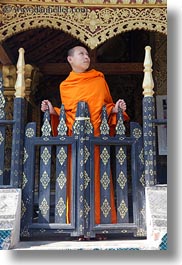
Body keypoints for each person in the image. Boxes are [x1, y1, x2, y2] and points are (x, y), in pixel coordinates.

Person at [41, 45, 129, 240]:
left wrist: (115, 109)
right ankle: (77, 227)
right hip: (75, 141)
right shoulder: (65, 86)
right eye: (81, 54)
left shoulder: (99, 79)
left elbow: (105, 106)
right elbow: (68, 113)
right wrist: (52, 111)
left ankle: (101, 226)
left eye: (87, 54)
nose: (86, 57)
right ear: (70, 59)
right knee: (75, 182)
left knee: (100, 181)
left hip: (97, 138)